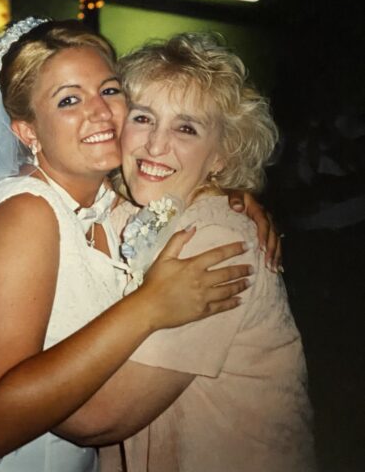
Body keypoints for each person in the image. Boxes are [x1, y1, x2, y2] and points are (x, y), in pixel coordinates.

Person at [0, 19, 253, 472]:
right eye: (69, 100)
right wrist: (149, 307)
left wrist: (233, 196)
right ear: (27, 132)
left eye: (109, 90)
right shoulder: (27, 214)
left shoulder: (108, 202)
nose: (101, 112)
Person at [76, 32, 313, 471]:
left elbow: (100, 418)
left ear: (221, 155)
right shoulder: (120, 207)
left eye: (186, 128)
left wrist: (0, 386)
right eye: (143, 118)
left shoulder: (218, 241)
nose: (155, 145)